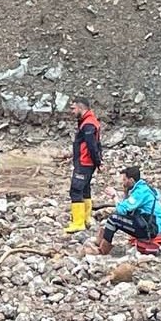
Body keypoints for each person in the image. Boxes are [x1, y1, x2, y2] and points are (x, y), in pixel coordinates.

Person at [96, 166, 161, 255]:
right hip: (153, 224)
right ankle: (103, 242)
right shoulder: (144, 188)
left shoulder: (140, 192)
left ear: (131, 180)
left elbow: (121, 210)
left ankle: (103, 249)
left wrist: (114, 196)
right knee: (119, 218)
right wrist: (126, 193)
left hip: (152, 229)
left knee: (113, 219)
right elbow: (128, 208)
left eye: (125, 180)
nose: (123, 183)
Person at [63, 96, 103, 234]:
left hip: (84, 162)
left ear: (81, 108)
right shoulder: (89, 121)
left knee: (76, 190)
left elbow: (92, 145)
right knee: (85, 189)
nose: (72, 111)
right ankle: (87, 218)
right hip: (87, 162)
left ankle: (78, 223)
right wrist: (98, 162)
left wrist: (97, 161)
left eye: (73, 108)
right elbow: (98, 144)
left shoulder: (88, 124)